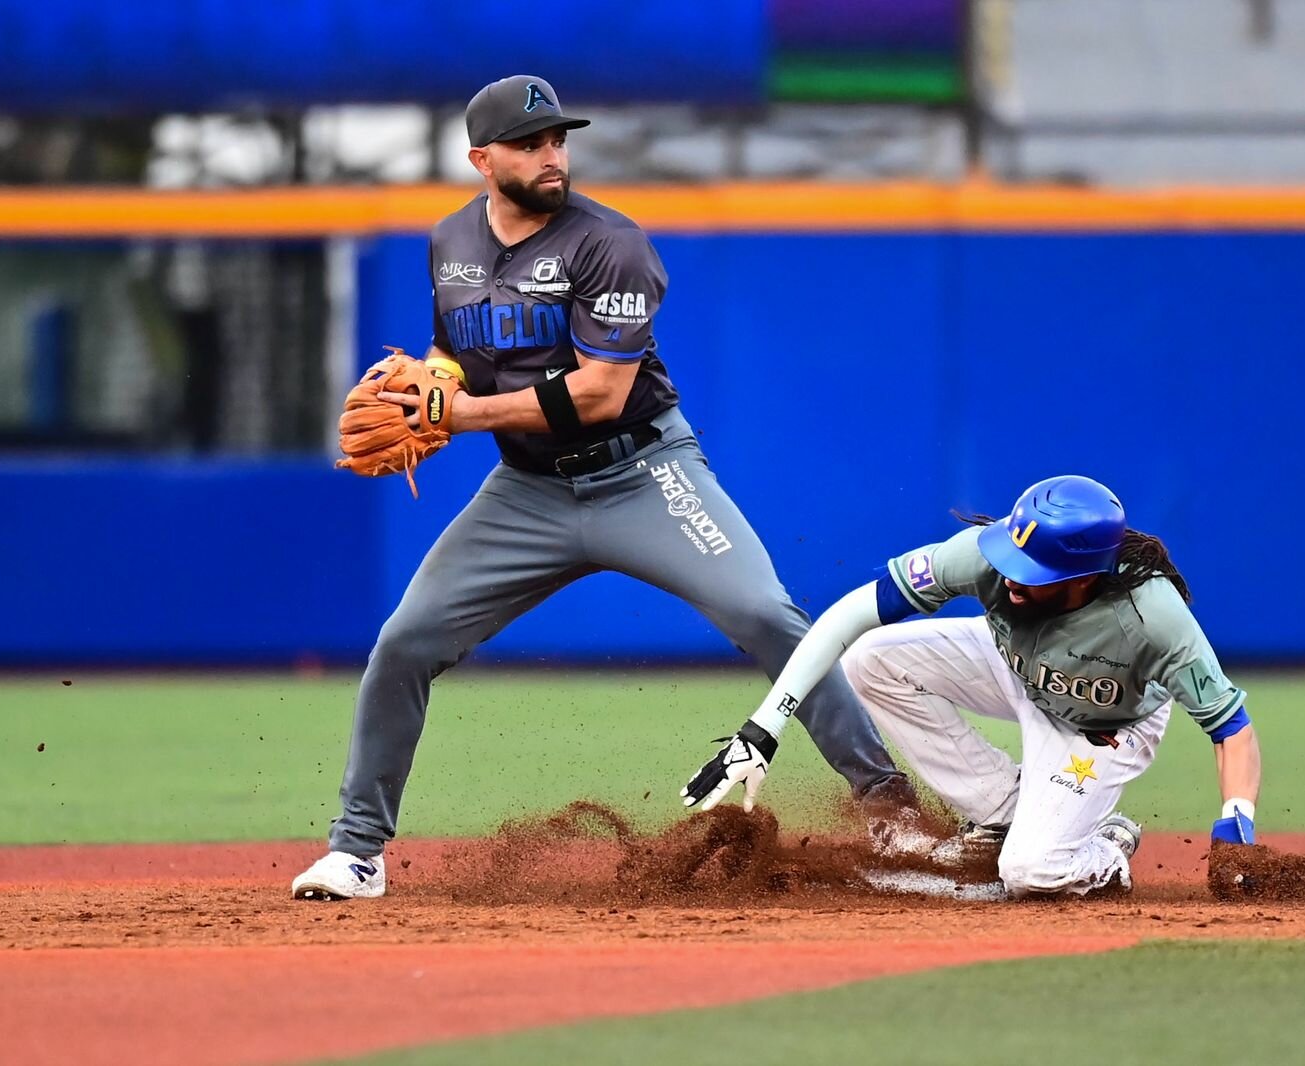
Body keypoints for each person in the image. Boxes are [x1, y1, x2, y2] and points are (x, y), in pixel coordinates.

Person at [292, 75, 911, 901]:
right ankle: (357, 850)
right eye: (530, 143)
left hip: (643, 471)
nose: (553, 156)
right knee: (403, 644)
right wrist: (430, 386)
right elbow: (455, 354)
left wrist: (464, 411)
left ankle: (891, 810)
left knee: (767, 615)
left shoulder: (607, 242)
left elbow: (599, 394)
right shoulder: (449, 243)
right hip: (527, 493)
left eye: (559, 140)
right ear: (482, 159)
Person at [682, 474, 1261, 898]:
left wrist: (1235, 822)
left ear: (1084, 578)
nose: (1010, 576)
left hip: (1103, 724)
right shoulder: (987, 559)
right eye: (1012, 555)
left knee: (1031, 874)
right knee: (872, 659)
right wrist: (765, 726)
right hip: (1015, 665)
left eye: (1032, 573)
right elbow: (847, 617)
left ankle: (1106, 847)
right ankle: (1009, 808)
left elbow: (1230, 725)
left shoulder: (1152, 617)